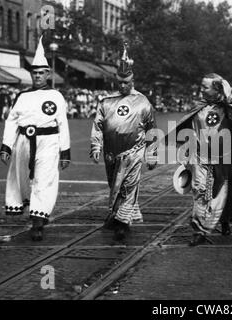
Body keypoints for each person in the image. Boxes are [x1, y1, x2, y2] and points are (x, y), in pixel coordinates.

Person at [167, 73, 232, 246]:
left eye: (205, 87)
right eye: (201, 86)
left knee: (218, 193)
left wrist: (230, 99)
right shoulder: (199, 108)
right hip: (200, 157)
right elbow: (190, 129)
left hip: (222, 159)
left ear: (216, 89)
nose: (201, 89)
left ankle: (222, 221)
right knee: (200, 191)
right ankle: (200, 231)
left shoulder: (229, 109)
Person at [0, 36, 71, 241]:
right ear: (31, 73)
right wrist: (6, 146)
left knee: (43, 179)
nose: (37, 76)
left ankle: (37, 222)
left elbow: (62, 124)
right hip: (23, 142)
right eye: (35, 73)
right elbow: (12, 121)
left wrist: (65, 152)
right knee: (21, 179)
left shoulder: (56, 96)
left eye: (41, 73)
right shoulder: (22, 96)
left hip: (48, 143)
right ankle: (34, 210)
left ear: (48, 74)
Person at [90, 43, 157, 241]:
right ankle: (117, 216)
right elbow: (98, 126)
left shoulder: (143, 102)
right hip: (111, 154)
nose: (122, 86)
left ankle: (122, 223)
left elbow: (152, 129)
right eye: (119, 82)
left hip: (134, 152)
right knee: (115, 185)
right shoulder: (106, 102)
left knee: (129, 186)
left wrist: (151, 154)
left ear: (132, 80)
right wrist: (96, 146)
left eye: (126, 82)